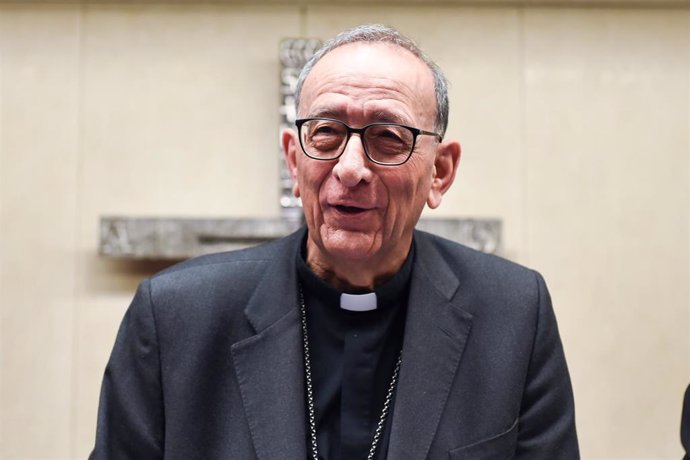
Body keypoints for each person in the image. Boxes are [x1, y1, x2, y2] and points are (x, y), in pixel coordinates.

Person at [90, 24, 579, 459]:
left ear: (441, 172)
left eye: (388, 136)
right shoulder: (176, 316)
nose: (350, 168)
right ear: (293, 160)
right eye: (326, 132)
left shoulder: (514, 314)